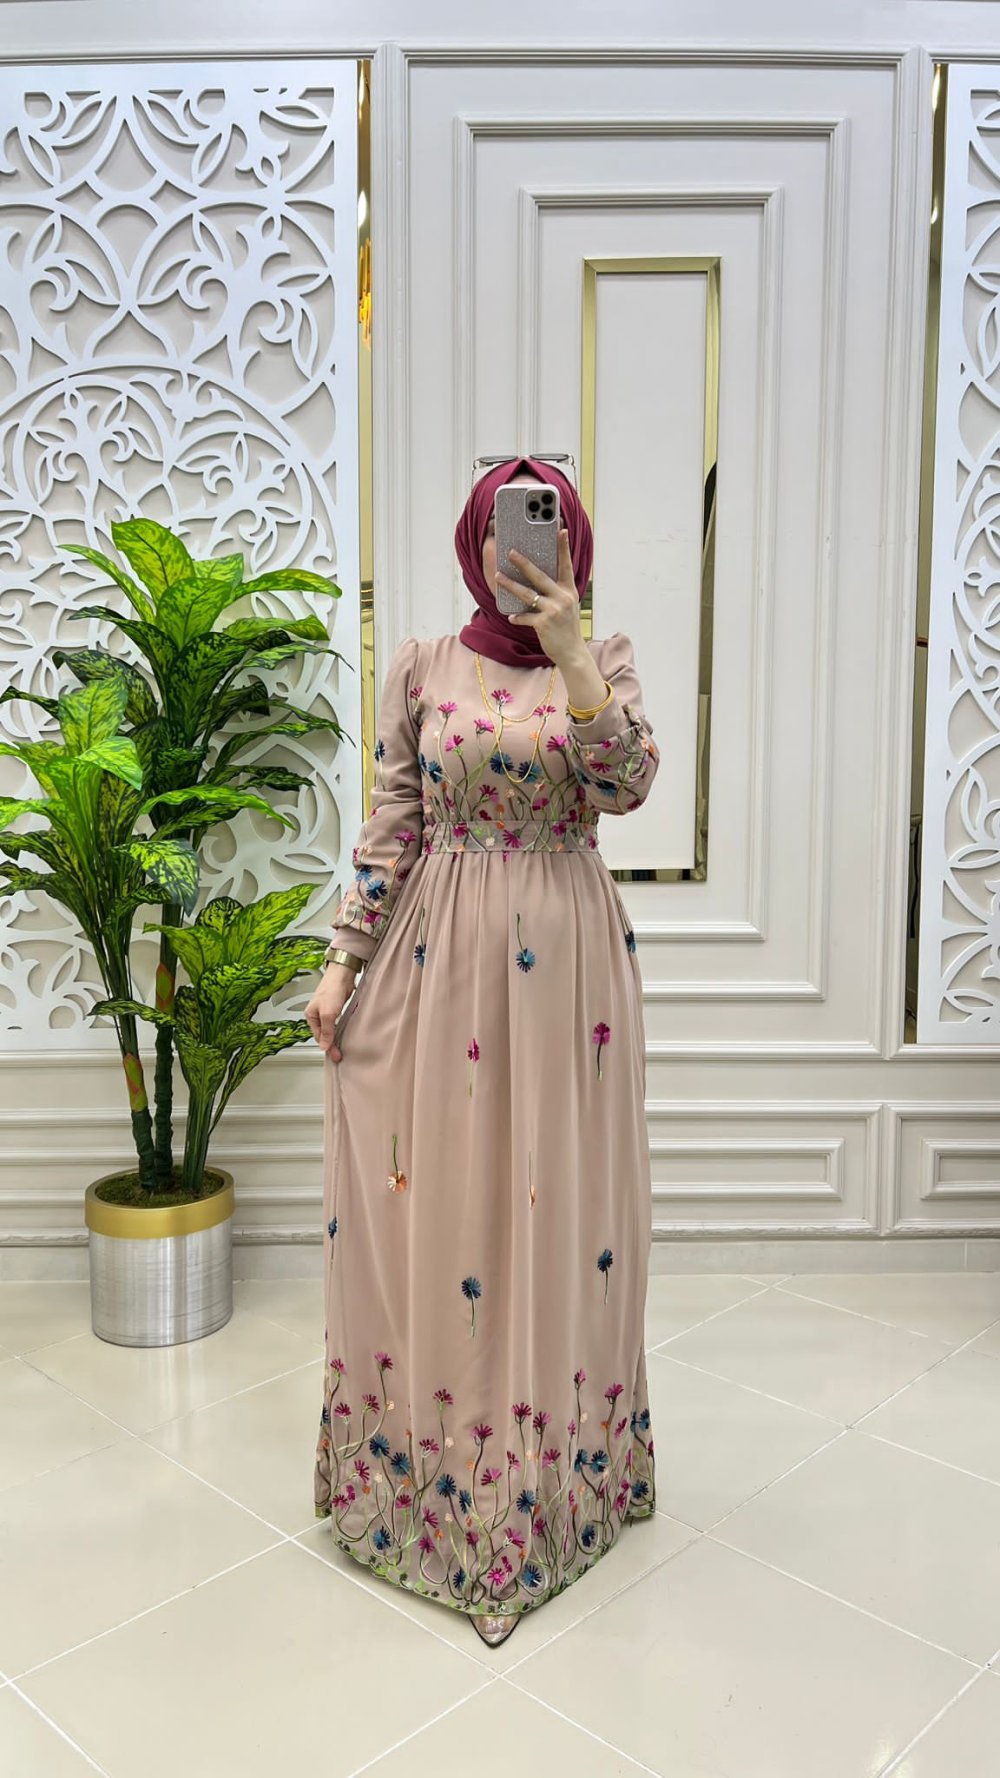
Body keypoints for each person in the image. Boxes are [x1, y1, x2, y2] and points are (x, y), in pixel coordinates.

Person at [306, 455, 660, 1649]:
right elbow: (393, 822)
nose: (523, 544)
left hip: (567, 976)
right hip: (439, 960)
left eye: (543, 524)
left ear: (572, 543)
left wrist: (571, 655)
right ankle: (434, 1483)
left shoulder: (602, 661)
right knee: (448, 1203)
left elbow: (627, 787)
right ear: (476, 539)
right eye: (508, 525)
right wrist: (342, 962)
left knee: (560, 1205)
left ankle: (556, 1488)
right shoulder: (419, 665)